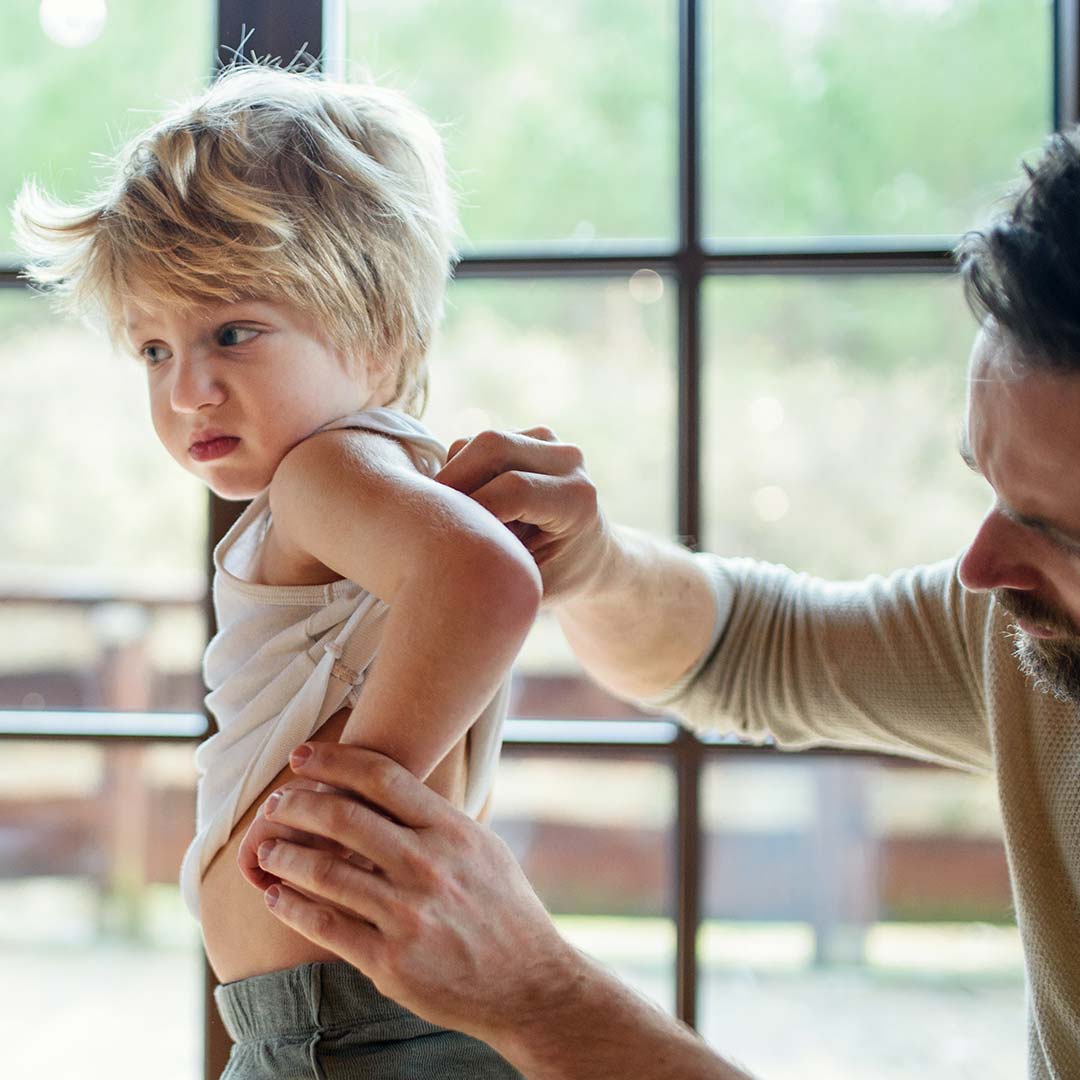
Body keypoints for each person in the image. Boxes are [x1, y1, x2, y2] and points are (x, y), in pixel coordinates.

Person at [245, 129, 1080, 1079]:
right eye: (989, 490)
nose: (979, 567)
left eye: (1056, 532)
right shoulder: (1029, 625)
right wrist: (596, 567)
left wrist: (543, 997)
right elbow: (760, 651)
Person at [13, 61, 541, 1078]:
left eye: (234, 333)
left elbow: (488, 582)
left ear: (380, 337)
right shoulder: (358, 481)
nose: (189, 389)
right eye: (154, 350)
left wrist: (342, 815)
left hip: (348, 1024)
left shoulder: (326, 472)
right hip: (327, 1017)